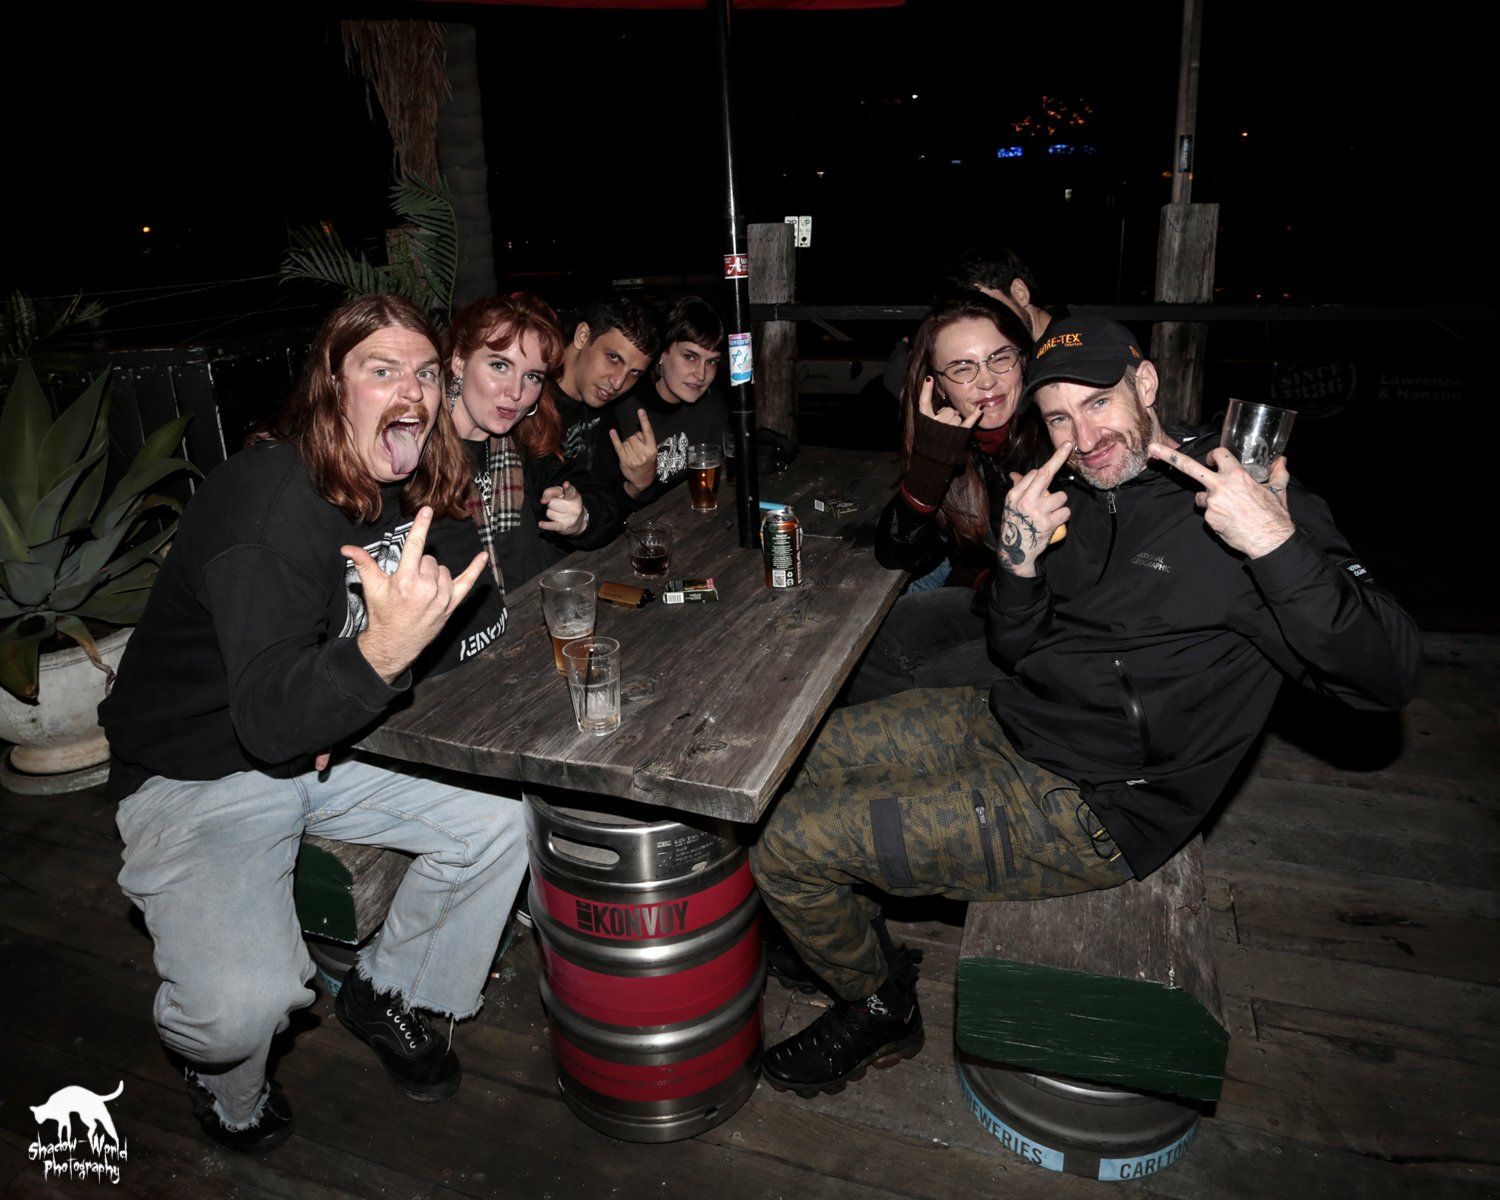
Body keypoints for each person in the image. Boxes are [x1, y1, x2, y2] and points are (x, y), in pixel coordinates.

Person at [750, 315, 1422, 1098]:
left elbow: (1388, 676)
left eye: (1099, 402)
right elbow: (1016, 647)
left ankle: (878, 1004)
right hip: (1013, 718)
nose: (1085, 436)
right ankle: (857, 940)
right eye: (1061, 418)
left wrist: (1275, 543)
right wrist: (1020, 563)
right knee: (788, 767)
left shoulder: (1241, 496)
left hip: (1096, 804)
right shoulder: (1077, 488)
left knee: (788, 847)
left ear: (1146, 384)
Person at [100, 296, 529, 1154]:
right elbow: (267, 720)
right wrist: (371, 665)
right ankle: (231, 1095)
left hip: (325, 749)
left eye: (424, 373)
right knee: (238, 1011)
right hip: (201, 773)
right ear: (332, 386)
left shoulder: (399, 487)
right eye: (382, 370)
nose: (411, 390)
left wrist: (352, 690)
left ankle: (387, 988)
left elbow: (439, 628)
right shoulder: (268, 503)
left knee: (504, 824)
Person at [846, 292, 1041, 703]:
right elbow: (897, 554)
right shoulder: (955, 445)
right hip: (989, 600)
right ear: (938, 386)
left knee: (903, 677)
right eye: (963, 368)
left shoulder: (1054, 429)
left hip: (1050, 625)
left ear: (1022, 360)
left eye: (1000, 358)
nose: (987, 381)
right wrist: (931, 462)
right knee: (862, 645)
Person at [446, 291, 620, 587]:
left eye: (532, 377)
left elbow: (603, 504)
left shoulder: (524, 441)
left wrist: (581, 518)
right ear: (460, 361)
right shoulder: (417, 453)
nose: (516, 392)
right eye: (500, 366)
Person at [544, 291, 658, 539]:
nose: (618, 383)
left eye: (634, 373)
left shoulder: (605, 404)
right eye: (613, 358)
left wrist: (636, 485)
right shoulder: (532, 400)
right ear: (582, 336)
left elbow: (608, 502)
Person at [610, 296, 728, 505]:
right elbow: (609, 503)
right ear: (661, 354)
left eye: (711, 362)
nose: (701, 374)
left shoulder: (712, 404)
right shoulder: (622, 407)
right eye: (690, 357)